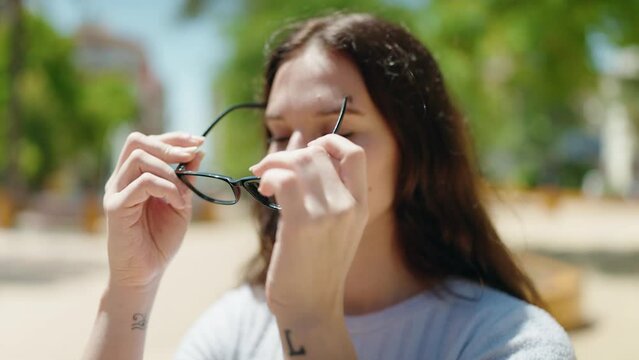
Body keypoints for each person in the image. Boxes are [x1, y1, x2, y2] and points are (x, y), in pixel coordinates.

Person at [83, 12, 575, 360]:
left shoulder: (509, 341)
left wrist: (310, 319)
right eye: (277, 133)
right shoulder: (238, 325)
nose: (289, 158)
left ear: (415, 154)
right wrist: (130, 287)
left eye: (335, 129)